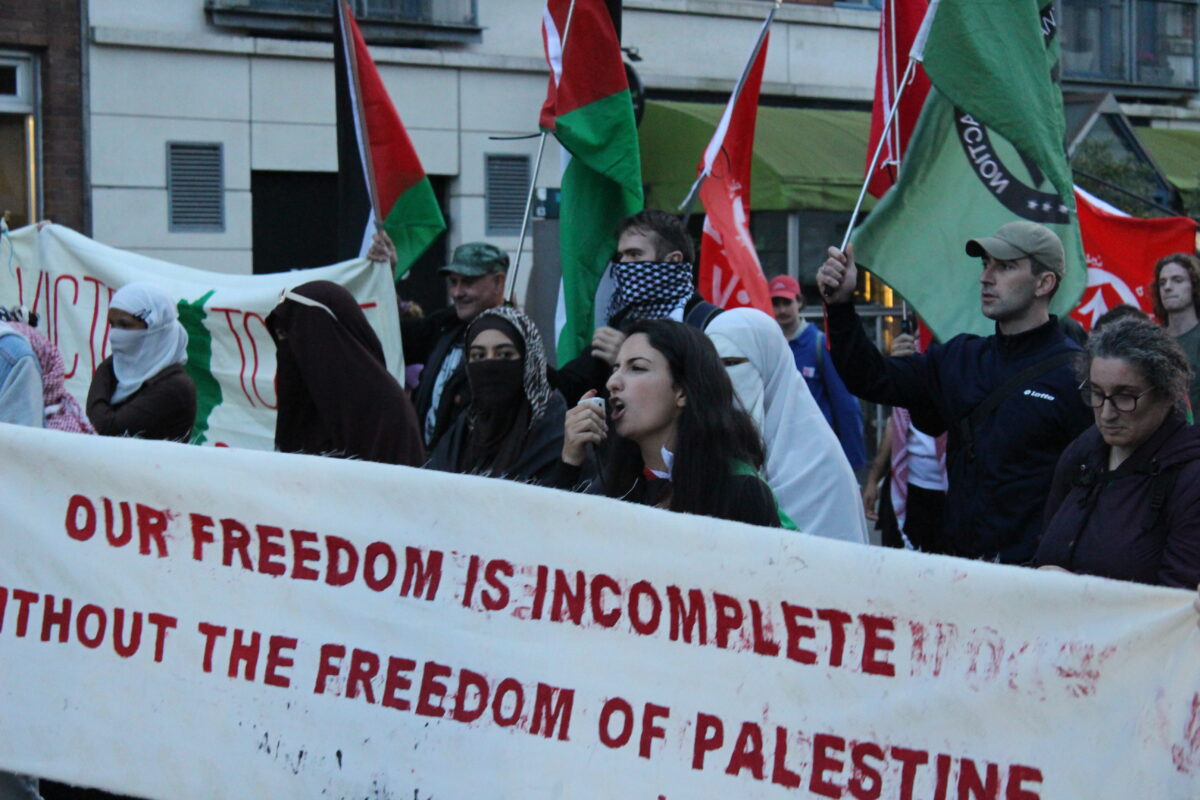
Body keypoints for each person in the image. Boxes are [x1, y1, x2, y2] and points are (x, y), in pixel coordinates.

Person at [817, 221, 1092, 562]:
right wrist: (841, 305)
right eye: (985, 264)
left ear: (1044, 283)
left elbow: (1097, 487)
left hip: (1038, 581)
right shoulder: (960, 358)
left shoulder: (1076, 375)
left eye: (1005, 267)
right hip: (964, 573)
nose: (986, 277)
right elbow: (871, 378)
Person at [559, 319, 789, 528]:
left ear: (681, 392)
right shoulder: (611, 486)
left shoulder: (740, 491)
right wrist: (569, 462)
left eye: (636, 368)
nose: (612, 382)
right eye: (615, 368)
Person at [1035, 318, 1200, 587]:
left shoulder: (1190, 478)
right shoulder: (1082, 453)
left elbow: (1178, 605)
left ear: (1166, 394)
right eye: (1096, 393)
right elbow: (1045, 547)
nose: (1107, 414)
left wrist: (1079, 593)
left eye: (1125, 396)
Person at [704, 307, 867, 542]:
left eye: (731, 363)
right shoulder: (703, 449)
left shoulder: (822, 465)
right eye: (713, 367)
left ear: (769, 363)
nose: (724, 379)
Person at [553, 209, 721, 406]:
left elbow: (712, 398)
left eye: (634, 254)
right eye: (621, 256)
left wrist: (629, 360)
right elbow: (567, 386)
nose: (623, 264)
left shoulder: (707, 323)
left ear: (673, 260)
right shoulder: (622, 320)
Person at [267, 280, 423, 466]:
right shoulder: (304, 411)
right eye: (283, 337)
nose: (289, 349)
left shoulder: (385, 415)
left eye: (297, 337)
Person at [384, 238, 509, 449]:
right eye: (453, 282)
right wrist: (385, 275)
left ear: (498, 282)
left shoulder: (519, 341)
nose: (457, 293)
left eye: (468, 282)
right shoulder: (444, 327)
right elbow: (392, 337)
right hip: (426, 467)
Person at [427, 306, 565, 484]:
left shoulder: (555, 434)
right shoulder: (461, 434)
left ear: (529, 362)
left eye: (505, 354)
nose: (490, 365)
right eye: (478, 356)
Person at [768, 274, 867, 471]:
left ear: (799, 302)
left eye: (786, 302)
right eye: (775, 303)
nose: (781, 310)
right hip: (780, 454)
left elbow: (845, 405)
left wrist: (854, 465)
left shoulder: (818, 344)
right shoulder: (770, 346)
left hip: (817, 454)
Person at [86, 282, 196, 442]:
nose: (115, 334)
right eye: (112, 324)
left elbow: (104, 430)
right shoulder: (119, 374)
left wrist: (104, 368)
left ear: (155, 328)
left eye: (124, 325)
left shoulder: (175, 387)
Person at [1151, 253, 1200, 415]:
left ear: (1194, 286)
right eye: (1162, 282)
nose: (1168, 287)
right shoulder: (1152, 342)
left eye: (1177, 280)